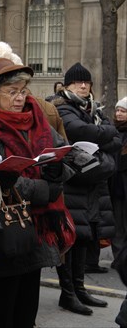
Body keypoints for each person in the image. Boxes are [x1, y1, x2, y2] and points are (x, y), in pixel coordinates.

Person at [0, 57, 74, 328]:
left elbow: (63, 154)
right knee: (1, 309)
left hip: (37, 229)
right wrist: (46, 190)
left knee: (27, 308)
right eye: (12, 91)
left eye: (23, 90)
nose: (20, 98)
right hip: (5, 227)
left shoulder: (36, 117)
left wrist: (58, 174)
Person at [49, 62, 120, 314]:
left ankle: (79, 289)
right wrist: (107, 131)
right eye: (77, 82)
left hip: (90, 188)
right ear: (66, 85)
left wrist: (103, 134)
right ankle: (67, 293)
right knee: (69, 240)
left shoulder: (93, 109)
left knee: (84, 238)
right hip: (71, 185)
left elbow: (114, 141)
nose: (83, 85)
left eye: (87, 82)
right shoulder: (60, 106)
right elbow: (80, 130)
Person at [111, 96, 127, 266]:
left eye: (123, 111)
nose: (119, 114)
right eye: (118, 110)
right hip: (116, 186)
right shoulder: (112, 131)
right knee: (117, 225)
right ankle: (118, 259)